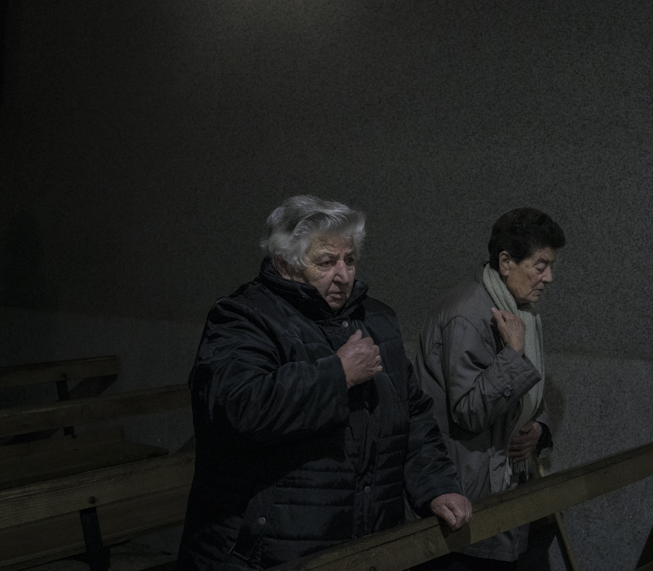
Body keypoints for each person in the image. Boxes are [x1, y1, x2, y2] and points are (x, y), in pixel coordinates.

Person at [177, 196, 471, 570]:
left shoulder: (377, 320)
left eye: (349, 260)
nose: (344, 274)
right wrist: (337, 374)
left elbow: (412, 416)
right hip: (266, 552)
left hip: (362, 542)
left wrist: (436, 485)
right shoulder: (243, 317)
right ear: (285, 262)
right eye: (326, 262)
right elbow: (236, 408)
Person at [415, 208, 565, 570]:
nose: (550, 277)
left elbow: (527, 395)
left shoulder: (515, 310)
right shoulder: (470, 313)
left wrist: (538, 430)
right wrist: (513, 352)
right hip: (466, 494)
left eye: (551, 266)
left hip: (498, 483)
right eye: (541, 265)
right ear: (506, 261)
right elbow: (469, 411)